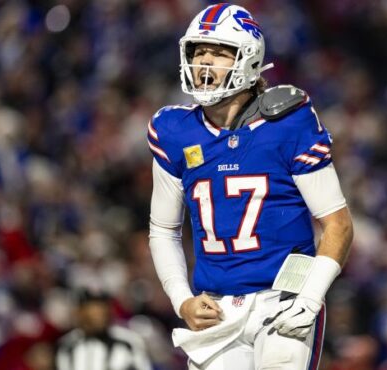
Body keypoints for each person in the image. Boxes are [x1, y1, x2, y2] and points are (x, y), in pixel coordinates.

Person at [147, 3, 353, 369]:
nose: (204, 63)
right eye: (198, 51)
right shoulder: (175, 131)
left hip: (283, 297)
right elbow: (163, 229)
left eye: (218, 53)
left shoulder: (288, 123)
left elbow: (337, 223)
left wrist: (310, 296)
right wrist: (182, 300)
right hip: (216, 306)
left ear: (248, 60)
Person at [55, 289, 152, 370]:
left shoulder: (129, 341)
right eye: (93, 312)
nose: (99, 316)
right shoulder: (67, 345)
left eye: (102, 311)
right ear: (79, 313)